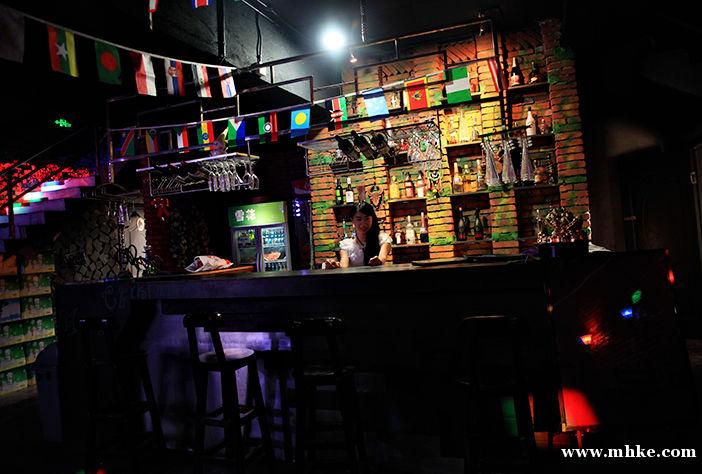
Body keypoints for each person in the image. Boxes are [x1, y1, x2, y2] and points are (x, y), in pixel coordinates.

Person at [323, 202, 391, 268]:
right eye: (359, 219)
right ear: (352, 221)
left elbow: (382, 258)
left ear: (372, 219)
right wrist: (335, 265)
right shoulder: (347, 245)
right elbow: (344, 266)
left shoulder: (382, 239)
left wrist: (377, 261)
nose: (363, 223)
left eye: (367, 218)